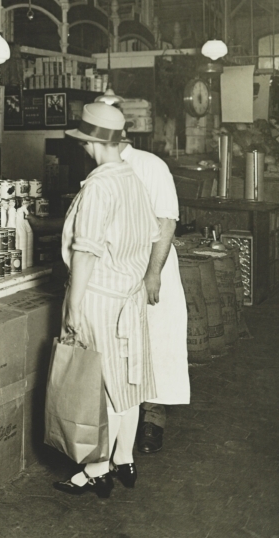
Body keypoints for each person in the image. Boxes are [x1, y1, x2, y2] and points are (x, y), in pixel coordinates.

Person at [53, 102, 159, 498]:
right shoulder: (131, 177)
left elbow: (86, 250)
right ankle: (124, 457)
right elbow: (150, 237)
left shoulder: (99, 184)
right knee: (128, 381)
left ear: (90, 142)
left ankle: (96, 469)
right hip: (127, 296)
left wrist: (73, 303)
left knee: (101, 389)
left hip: (99, 296)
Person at [117, 136, 190, 453]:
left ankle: (153, 421)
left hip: (149, 265)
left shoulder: (150, 165)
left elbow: (167, 221)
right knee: (124, 346)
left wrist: (153, 273)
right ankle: (124, 420)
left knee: (156, 343)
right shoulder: (102, 167)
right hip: (118, 269)